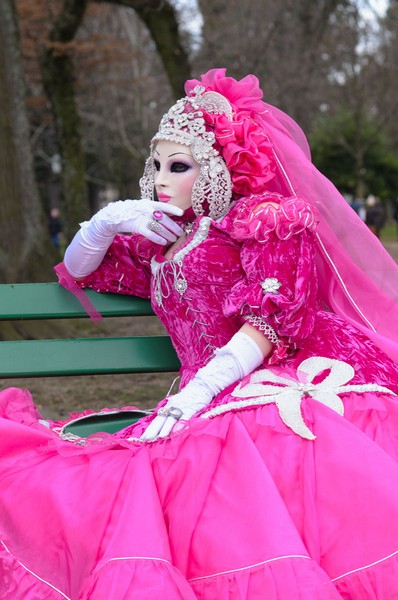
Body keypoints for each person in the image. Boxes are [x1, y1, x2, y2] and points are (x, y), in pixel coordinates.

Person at [1, 69, 398, 599]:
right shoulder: (165, 241)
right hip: (201, 399)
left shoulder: (263, 220)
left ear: (217, 169)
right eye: (157, 165)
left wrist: (200, 392)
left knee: (256, 474)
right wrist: (106, 221)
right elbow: (80, 266)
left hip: (267, 376)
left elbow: (270, 320)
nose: (162, 179)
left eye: (180, 165)